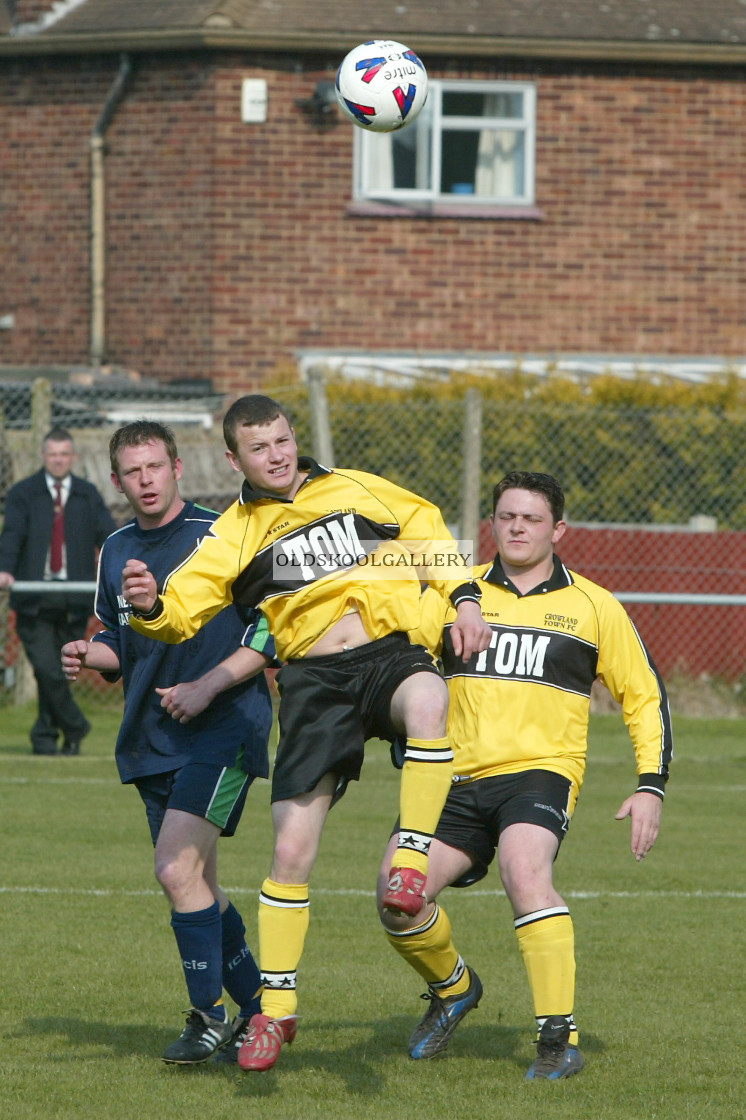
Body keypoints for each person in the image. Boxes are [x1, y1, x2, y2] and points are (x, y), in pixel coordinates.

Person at [121, 394, 491, 1072]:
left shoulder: (356, 489)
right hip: (314, 685)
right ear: (234, 459)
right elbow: (179, 609)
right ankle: (277, 1011)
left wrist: (464, 595)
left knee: (429, 698)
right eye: (260, 449)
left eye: (283, 440)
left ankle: (411, 861)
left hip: (387, 655)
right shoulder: (234, 532)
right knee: (290, 847)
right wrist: (147, 607)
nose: (278, 454)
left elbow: (429, 528)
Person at [378, 470, 673, 1080]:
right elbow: (397, 669)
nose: (516, 527)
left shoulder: (593, 606)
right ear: (492, 523)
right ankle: (454, 988)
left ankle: (556, 1041)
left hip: (540, 773)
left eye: (532, 518)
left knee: (524, 869)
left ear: (558, 529)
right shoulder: (455, 600)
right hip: (453, 779)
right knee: (396, 899)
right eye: (506, 516)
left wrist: (650, 784)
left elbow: (643, 696)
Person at [61, 420, 275, 1065]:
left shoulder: (223, 535)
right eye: (133, 470)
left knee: (174, 869)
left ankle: (209, 1017)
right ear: (117, 480)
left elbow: (269, 632)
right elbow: (123, 649)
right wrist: (88, 653)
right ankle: (260, 1014)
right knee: (197, 882)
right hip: (151, 737)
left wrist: (208, 686)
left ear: (178, 467)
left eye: (156, 465)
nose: (146, 479)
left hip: (224, 727)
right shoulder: (115, 549)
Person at [0, 426, 116, 755]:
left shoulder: (86, 494)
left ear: (73, 457)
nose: (59, 460)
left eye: (65, 454)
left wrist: (124, 564)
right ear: (43, 456)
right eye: (53, 454)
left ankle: (45, 737)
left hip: (74, 599)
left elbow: (109, 536)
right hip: (34, 598)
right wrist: (5, 568)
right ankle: (76, 724)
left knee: (61, 671)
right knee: (46, 667)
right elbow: (12, 535)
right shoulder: (24, 493)